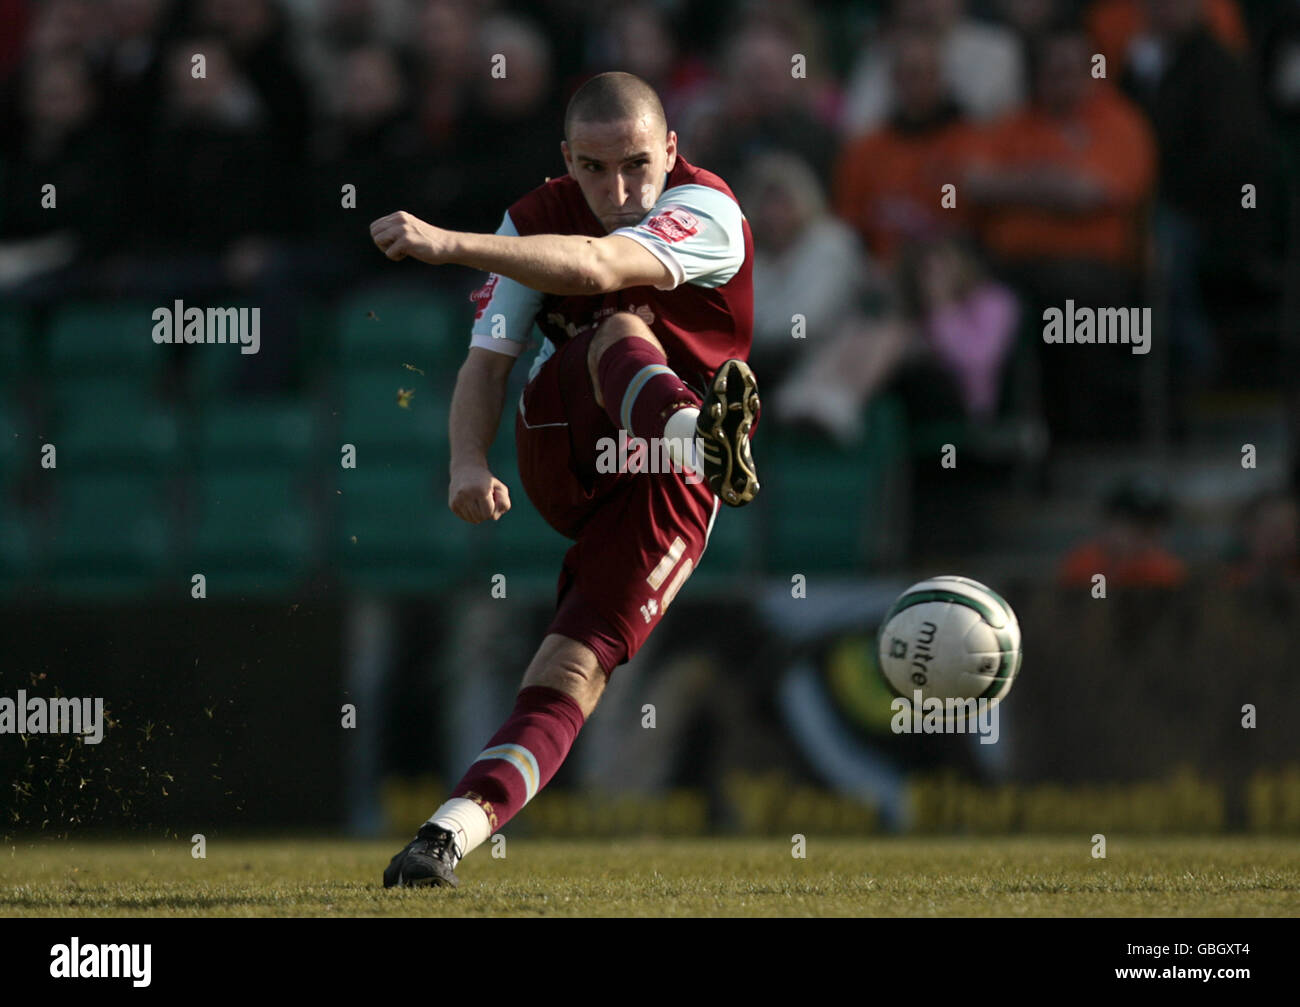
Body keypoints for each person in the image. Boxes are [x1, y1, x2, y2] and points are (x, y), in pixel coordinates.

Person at [369, 72, 760, 887]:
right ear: (566, 161)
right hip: (568, 441)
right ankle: (701, 438)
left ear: (673, 152)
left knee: (570, 670)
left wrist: (449, 243)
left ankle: (442, 837)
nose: (619, 189)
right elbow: (488, 364)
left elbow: (595, 262)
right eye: (593, 168)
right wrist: (468, 464)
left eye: (637, 166)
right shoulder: (533, 221)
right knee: (619, 321)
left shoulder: (711, 209)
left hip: (663, 492)